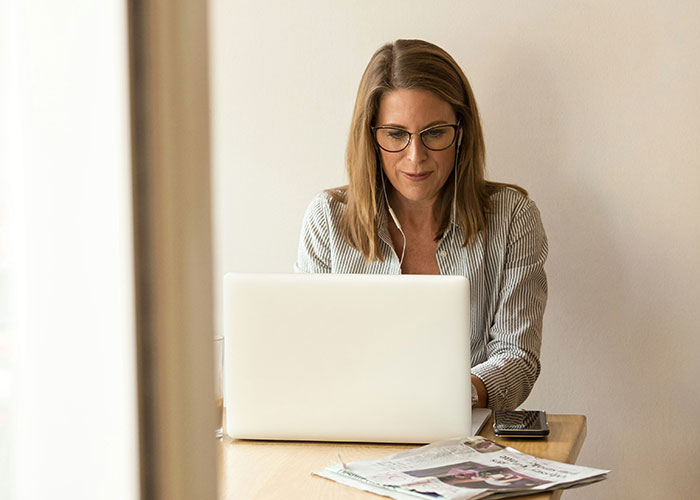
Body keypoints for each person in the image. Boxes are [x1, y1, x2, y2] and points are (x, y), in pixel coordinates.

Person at [295, 39, 547, 411]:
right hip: (351, 431)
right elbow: (307, 355)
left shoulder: (512, 217)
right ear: (371, 136)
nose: (416, 157)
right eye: (396, 134)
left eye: (434, 133)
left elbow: (518, 358)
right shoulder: (327, 219)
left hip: (467, 436)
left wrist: (451, 396)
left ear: (460, 132)